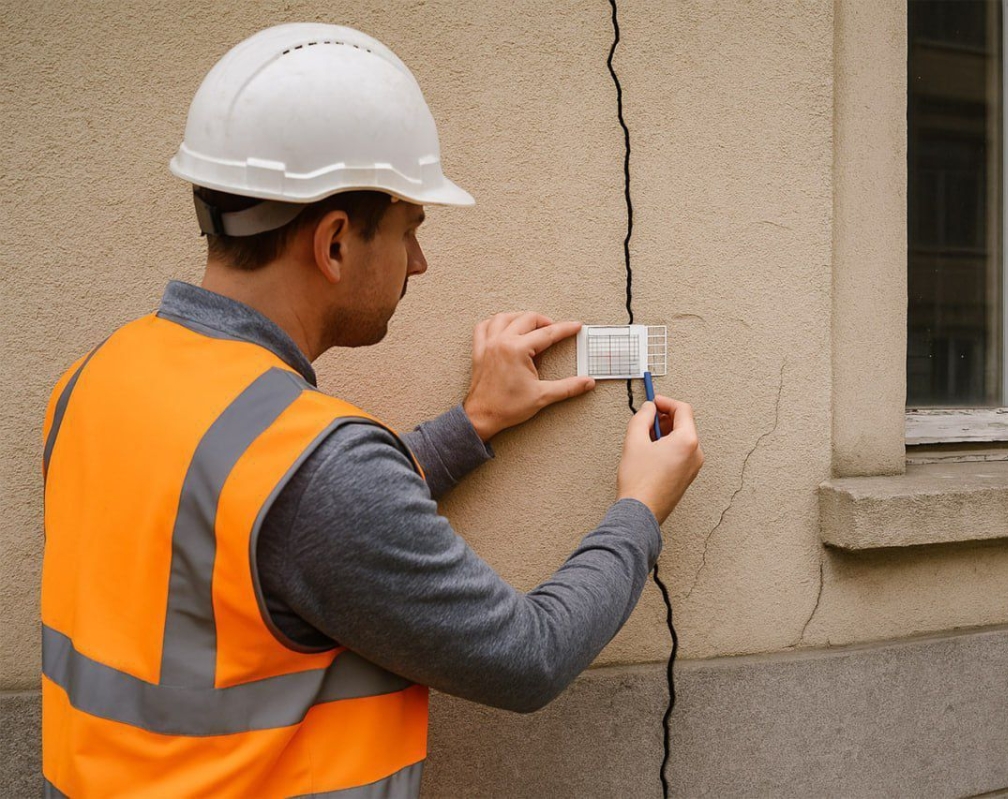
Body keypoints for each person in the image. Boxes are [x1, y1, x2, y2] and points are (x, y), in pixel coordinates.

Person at [39, 21, 703, 799]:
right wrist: (640, 505)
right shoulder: (319, 468)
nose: (418, 262)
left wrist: (473, 422)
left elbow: (278, 524)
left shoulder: (95, 378)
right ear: (333, 245)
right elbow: (529, 657)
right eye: (409, 229)